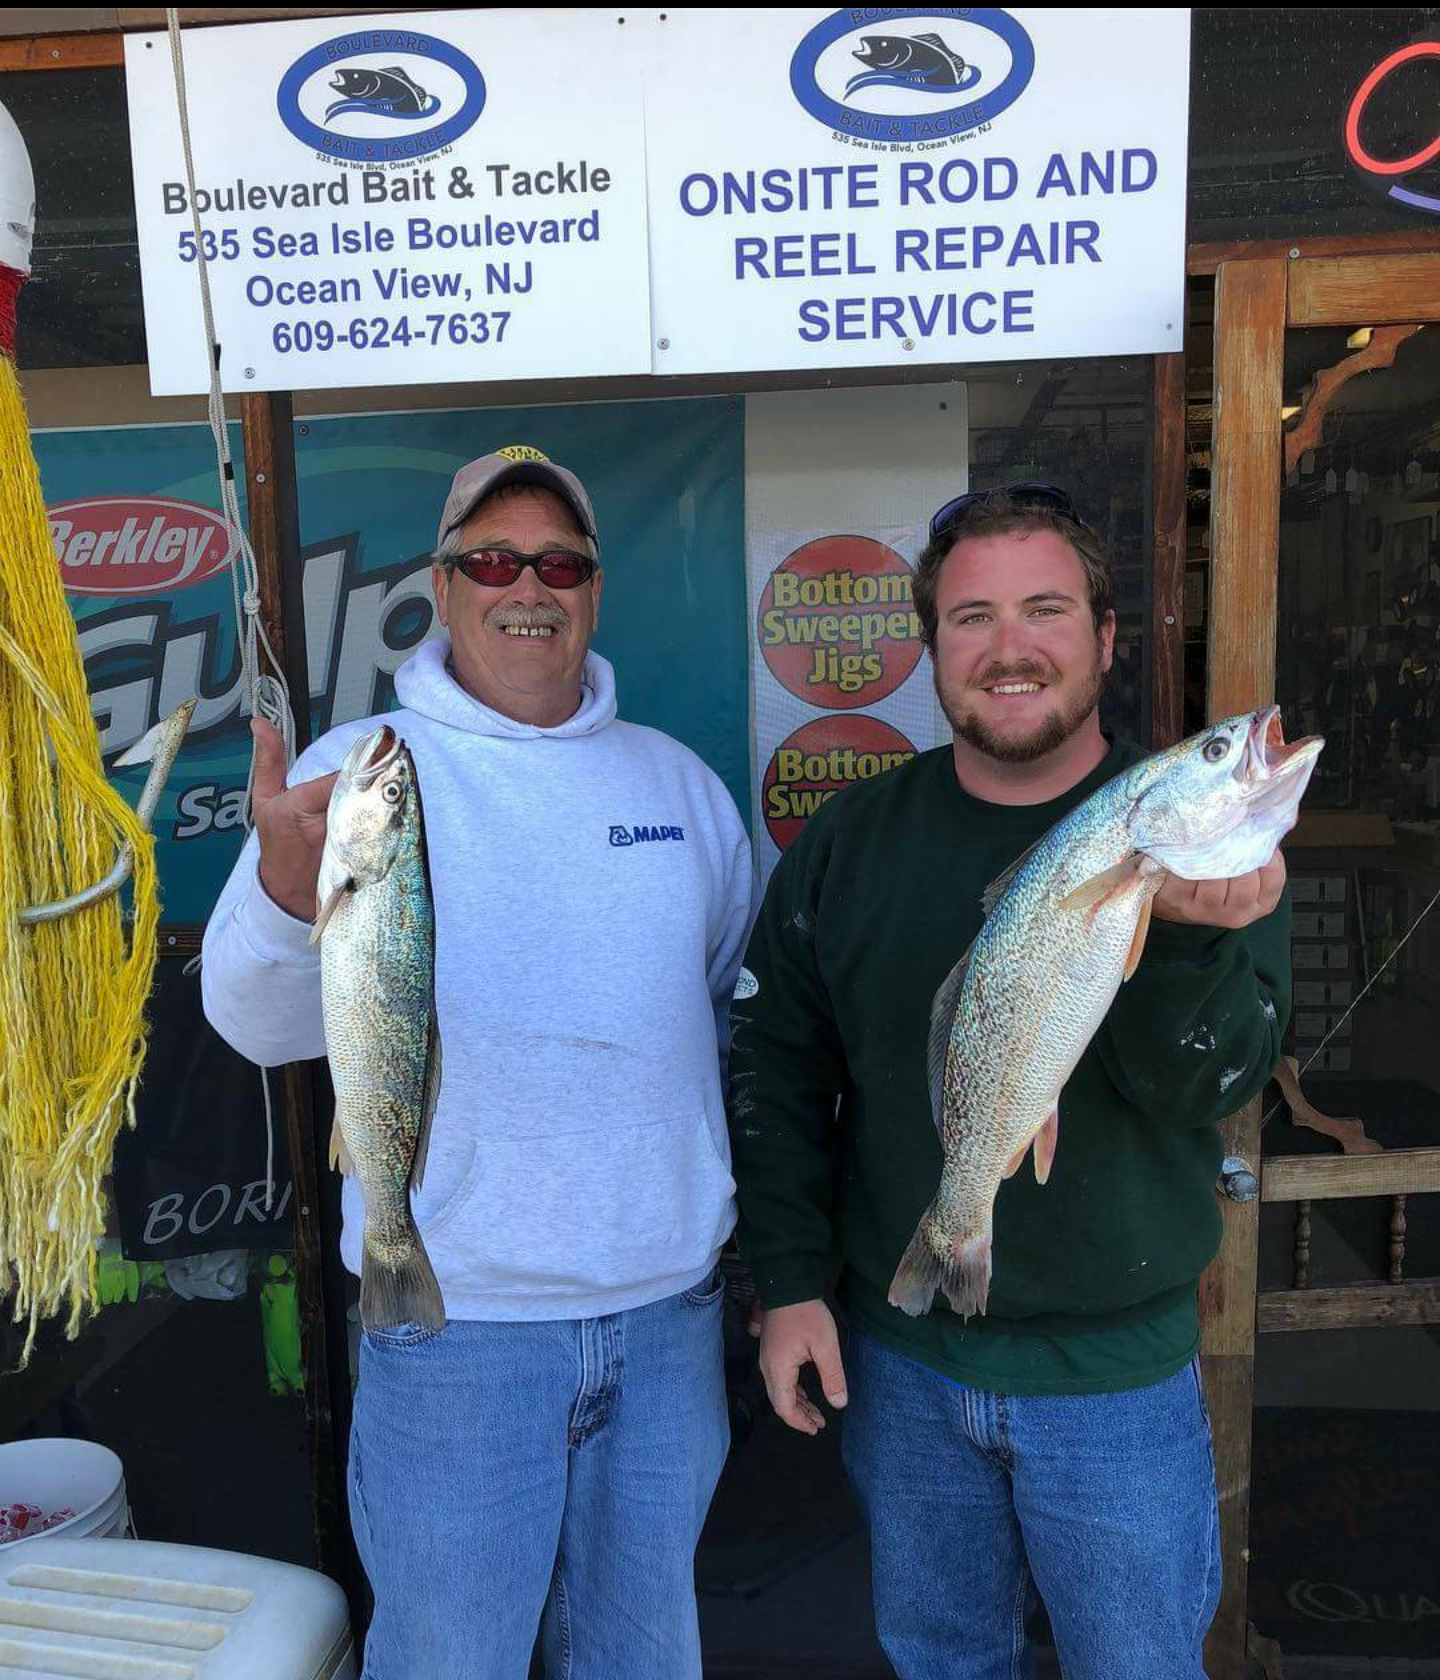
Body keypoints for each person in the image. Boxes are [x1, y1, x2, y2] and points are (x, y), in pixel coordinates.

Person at [202, 446, 752, 1679]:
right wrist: (291, 902)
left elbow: (725, 1016)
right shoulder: (357, 770)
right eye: (490, 560)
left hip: (666, 1331)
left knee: (646, 1660)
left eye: (559, 562)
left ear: (595, 593)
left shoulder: (680, 789)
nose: (527, 585)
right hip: (455, 1334)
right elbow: (253, 1024)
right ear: (441, 590)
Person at [727, 483, 1291, 1680]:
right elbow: (777, 1067)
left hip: (1117, 1386)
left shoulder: (1218, 855)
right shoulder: (851, 844)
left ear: (1104, 636)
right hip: (906, 1370)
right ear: (931, 647)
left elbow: (1202, 1089)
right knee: (941, 1665)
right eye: (971, 617)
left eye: (1044, 609)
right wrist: (788, 1284)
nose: (1009, 647)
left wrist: (1187, 938)